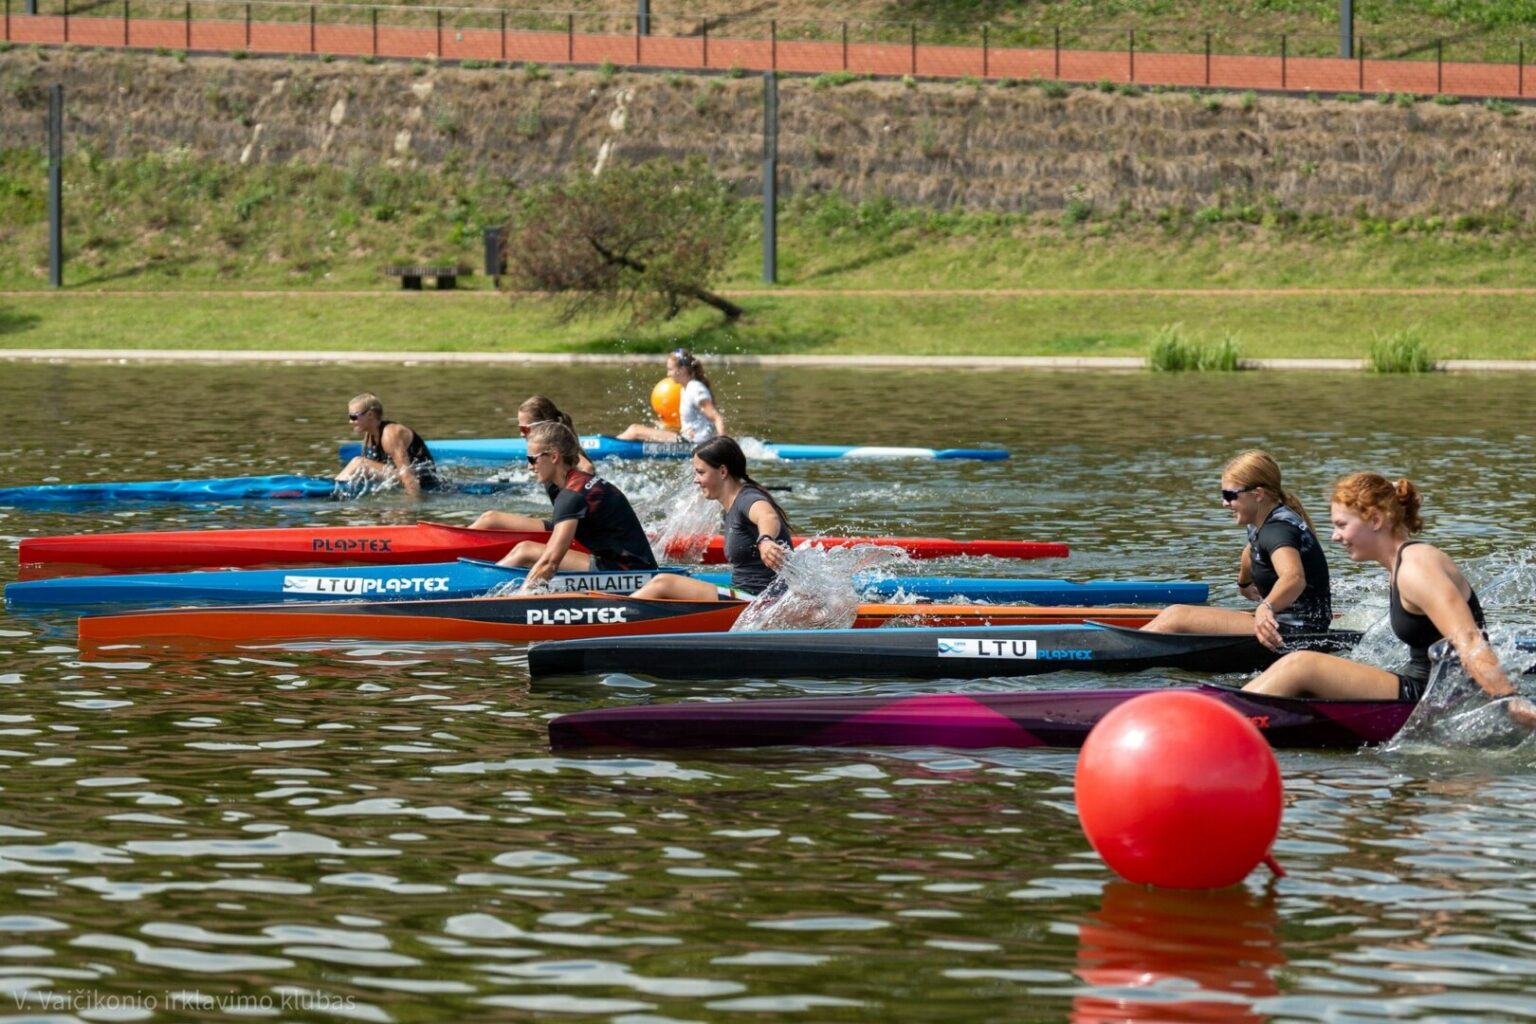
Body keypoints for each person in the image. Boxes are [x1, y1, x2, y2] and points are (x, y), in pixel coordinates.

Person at [1244, 473, 1535, 724]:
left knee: (1301, 665)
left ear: (1375, 520)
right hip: (1430, 690)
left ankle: (1226, 716)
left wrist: (1509, 700)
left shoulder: (1417, 567)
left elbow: (1470, 640)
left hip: (1433, 699)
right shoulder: (1401, 564)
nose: (1334, 536)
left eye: (1342, 525)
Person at [1142, 450, 1331, 651]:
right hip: (1282, 627)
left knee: (1177, 616)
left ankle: (1117, 651)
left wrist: (1265, 607)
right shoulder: (1262, 521)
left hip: (1295, 635)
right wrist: (1244, 582)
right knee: (1185, 616)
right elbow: (1252, 549)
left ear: (1257, 495)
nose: (1225, 503)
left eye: (1230, 495)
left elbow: (1294, 578)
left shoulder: (1278, 530)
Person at [469, 421, 656, 589]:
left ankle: (477, 589)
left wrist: (517, 598)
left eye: (532, 459)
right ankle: (480, 584)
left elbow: (550, 563)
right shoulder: (576, 482)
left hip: (629, 573)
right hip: (627, 564)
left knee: (525, 552)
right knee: (524, 548)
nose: (529, 467)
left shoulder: (571, 496)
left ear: (553, 457)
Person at [630, 436, 792, 601]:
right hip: (747, 595)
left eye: (701, 472)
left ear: (722, 471)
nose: (695, 480)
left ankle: (615, 617)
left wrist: (765, 540)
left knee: (663, 583)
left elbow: (768, 515)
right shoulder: (732, 504)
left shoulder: (747, 498)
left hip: (759, 600)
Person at [335, 392, 440, 497]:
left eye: (354, 417)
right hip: (401, 478)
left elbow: (408, 475)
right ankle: (336, 483)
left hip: (425, 483)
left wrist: (410, 508)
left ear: (370, 415)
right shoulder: (369, 435)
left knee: (359, 463)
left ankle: (334, 487)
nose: (350, 421)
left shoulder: (390, 434)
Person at [617, 348, 726, 443]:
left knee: (635, 430)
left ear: (682, 370)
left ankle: (608, 446)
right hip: (687, 439)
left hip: (694, 444)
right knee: (648, 429)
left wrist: (722, 446)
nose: (667, 374)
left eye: (670, 369)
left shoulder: (695, 388)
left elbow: (717, 418)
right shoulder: (685, 388)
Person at [517, 395, 595, 475]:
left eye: (524, 429)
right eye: (520, 428)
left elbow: (587, 467)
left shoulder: (564, 448)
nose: (521, 434)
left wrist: (572, 487)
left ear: (543, 425)